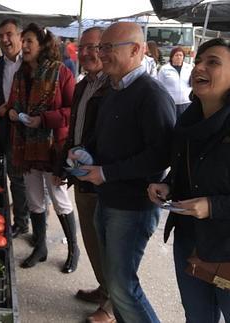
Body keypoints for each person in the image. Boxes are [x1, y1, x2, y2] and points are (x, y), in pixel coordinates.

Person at [71, 22, 176, 322]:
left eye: (107, 48)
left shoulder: (152, 95)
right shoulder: (114, 89)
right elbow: (101, 135)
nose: (101, 54)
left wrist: (107, 173)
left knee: (123, 288)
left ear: (135, 50)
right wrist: (83, 151)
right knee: (115, 283)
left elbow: (160, 156)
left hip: (131, 207)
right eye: (100, 47)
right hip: (109, 200)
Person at [147, 38, 230, 323]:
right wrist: (168, 185)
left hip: (226, 248)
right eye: (200, 61)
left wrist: (212, 206)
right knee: (196, 316)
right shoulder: (188, 121)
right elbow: (182, 172)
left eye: (213, 62)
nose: (200, 67)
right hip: (188, 240)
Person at [0, 23, 78, 272]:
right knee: (34, 198)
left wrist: (43, 119)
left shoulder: (62, 73)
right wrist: (12, 112)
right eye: (23, 41)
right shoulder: (20, 75)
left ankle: (73, 250)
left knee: (59, 198)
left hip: (53, 147)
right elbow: (11, 103)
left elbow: (71, 111)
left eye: (29, 41)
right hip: (25, 147)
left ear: (43, 44)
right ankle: (40, 247)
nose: (23, 46)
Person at [58, 27, 115, 323]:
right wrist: (65, 163)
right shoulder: (83, 85)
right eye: (84, 48)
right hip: (81, 174)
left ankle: (112, 304)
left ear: (107, 49)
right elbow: (74, 128)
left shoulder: (115, 87)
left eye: (97, 47)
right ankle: (104, 288)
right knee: (92, 239)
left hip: (103, 178)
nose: (90, 53)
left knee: (109, 244)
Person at [0, 19, 32, 240]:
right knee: (16, 178)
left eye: (9, 34)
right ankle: (21, 222)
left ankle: (34, 219)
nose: (4, 39)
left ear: (20, 36)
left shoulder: (32, 63)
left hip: (32, 131)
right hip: (7, 130)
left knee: (36, 182)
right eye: (1, 36)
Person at [157, 47, 192, 117]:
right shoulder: (164, 69)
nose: (179, 57)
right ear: (172, 57)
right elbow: (159, 86)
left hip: (186, 102)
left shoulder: (189, 68)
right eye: (176, 55)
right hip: (170, 102)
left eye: (181, 55)